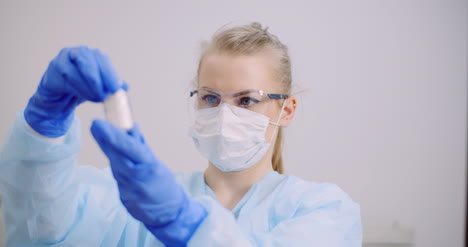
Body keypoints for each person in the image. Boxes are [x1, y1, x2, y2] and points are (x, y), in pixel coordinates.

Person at [0, 23, 362, 246]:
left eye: (247, 100)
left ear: (286, 109)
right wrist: (44, 125)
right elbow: (43, 228)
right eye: (210, 97)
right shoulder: (136, 201)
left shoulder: (324, 210)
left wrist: (184, 224)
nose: (224, 114)